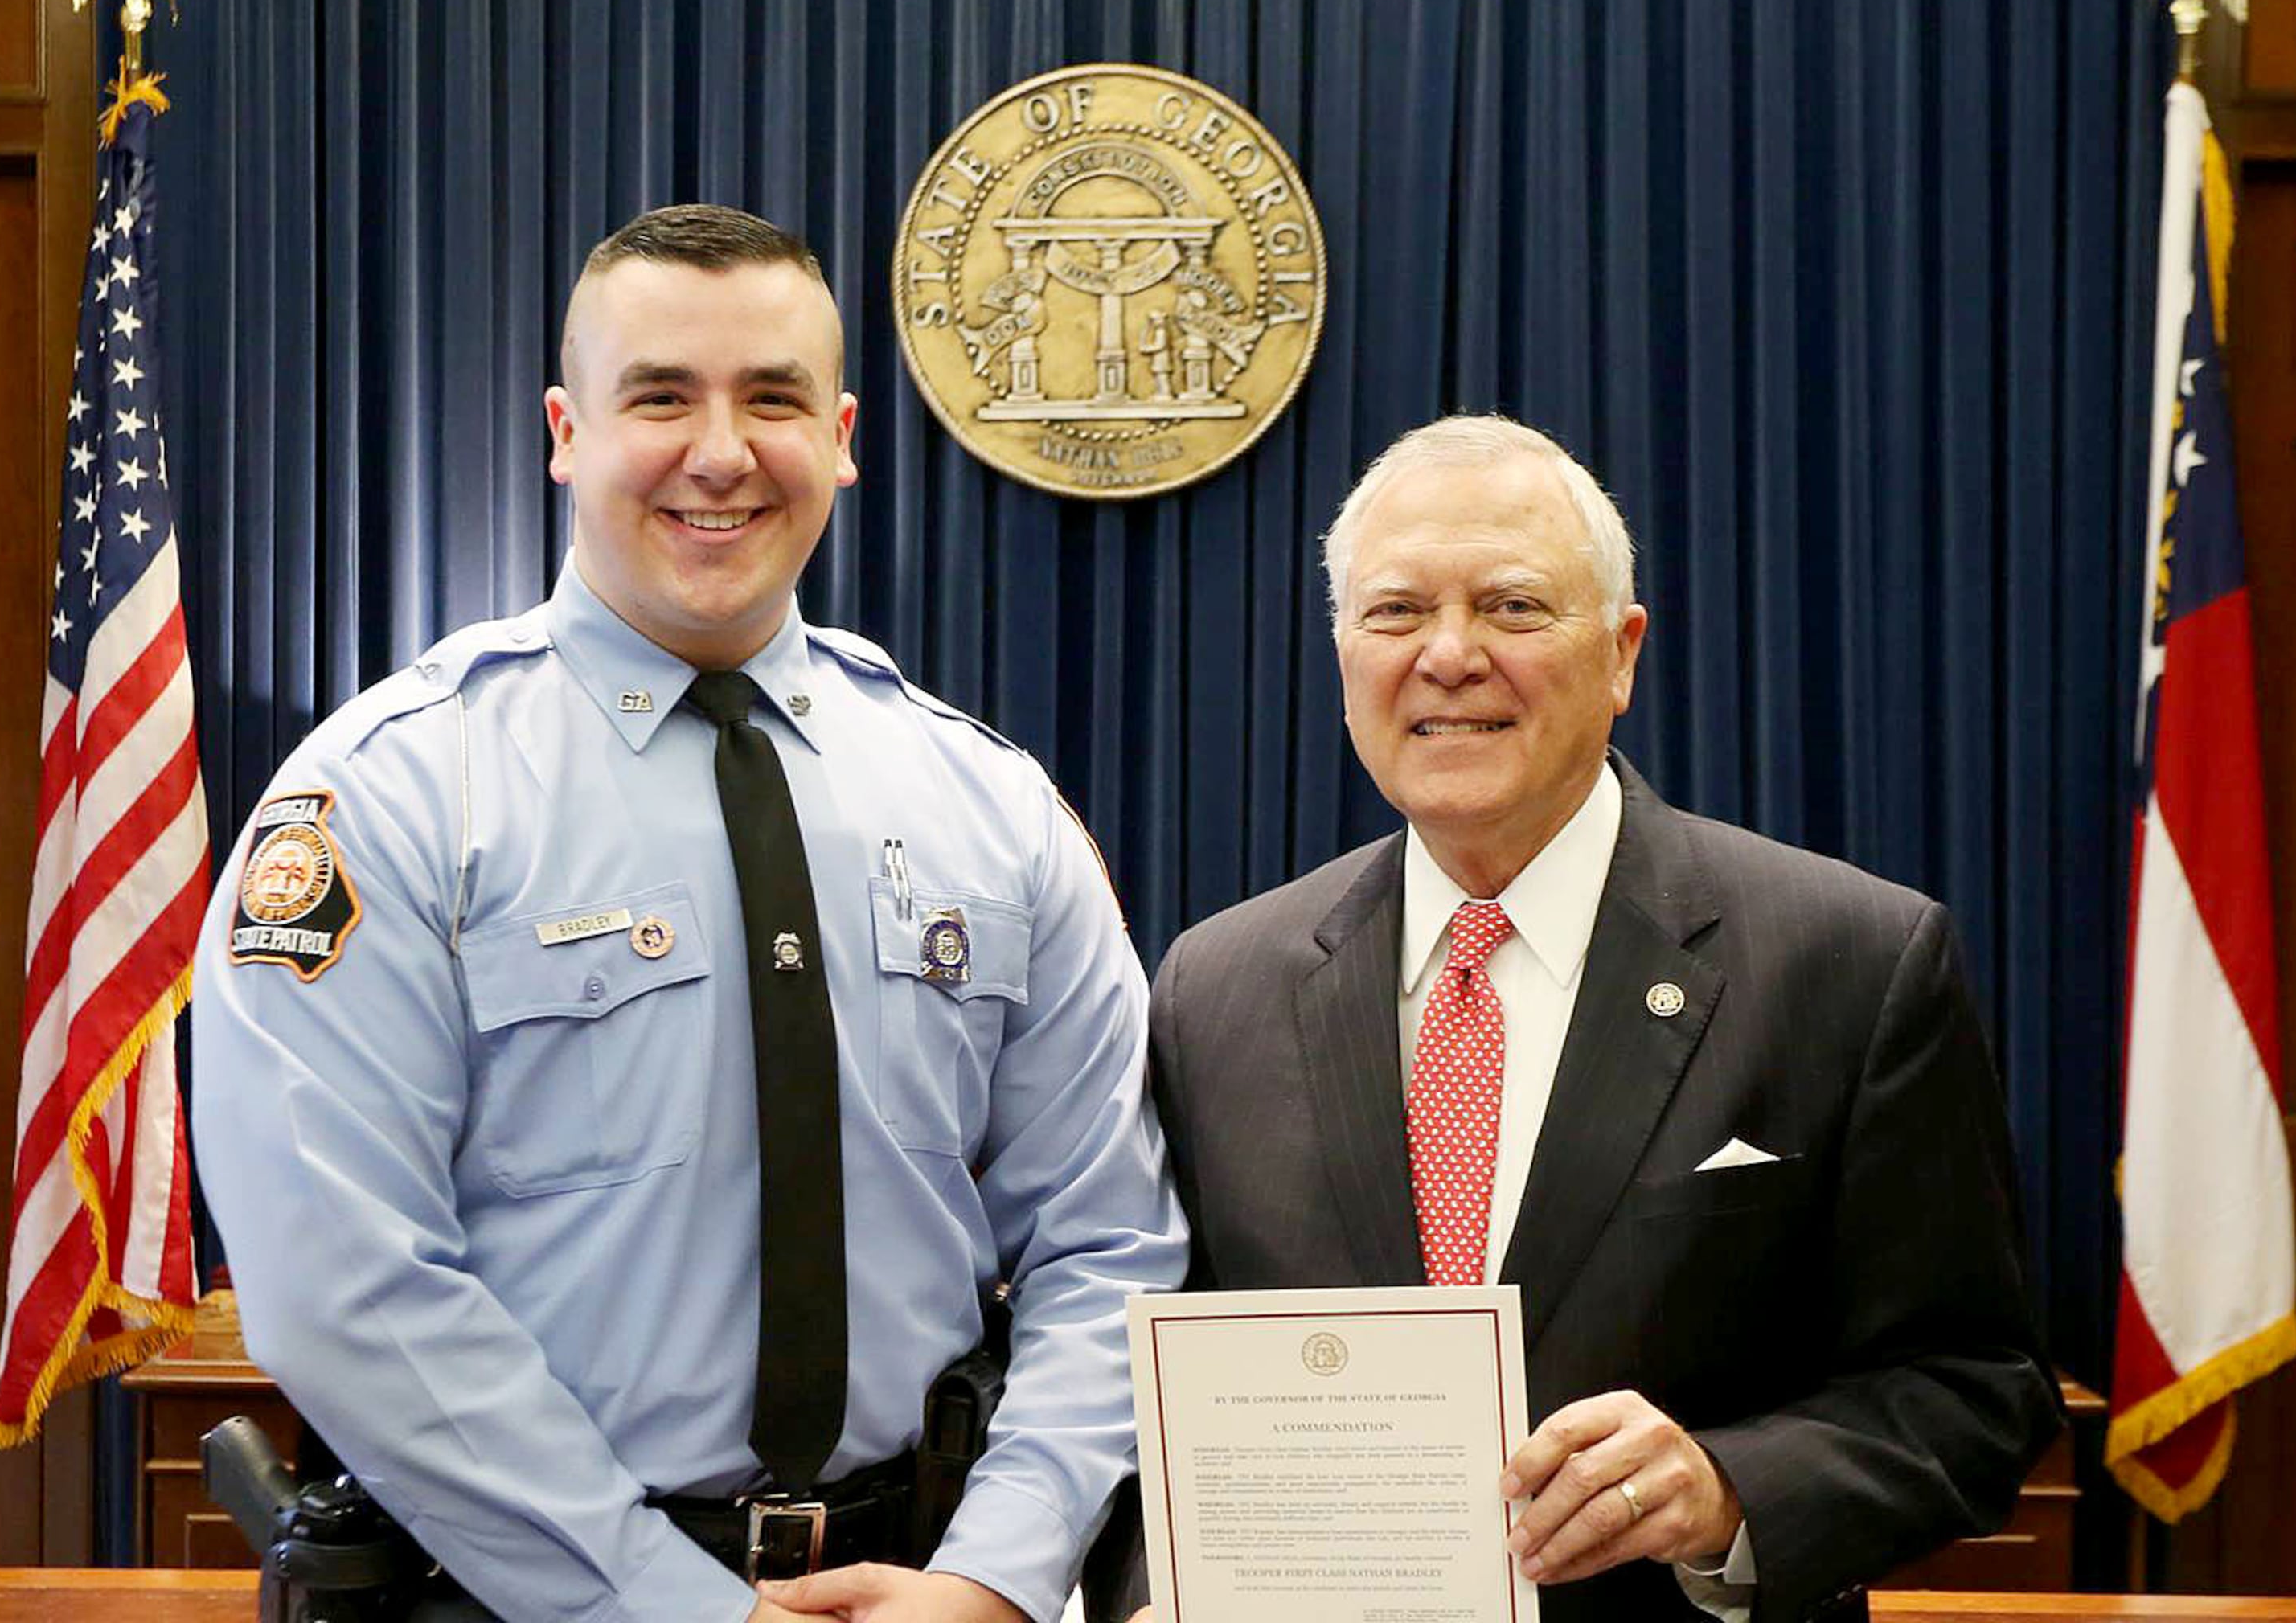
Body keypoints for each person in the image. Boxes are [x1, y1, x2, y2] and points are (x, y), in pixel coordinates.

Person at [191, 204, 1186, 1623]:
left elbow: (1110, 1244)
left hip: (922, 1591)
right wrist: (668, 1604)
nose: (721, 453)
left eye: (772, 399)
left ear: (841, 436)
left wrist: (999, 1574)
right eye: (660, 397)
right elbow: (345, 1285)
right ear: (566, 431)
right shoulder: (395, 797)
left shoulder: (993, 804)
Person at [1140, 415, 2062, 1622]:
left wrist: (1730, 1490)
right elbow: (1140, 1391)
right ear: (1343, 655)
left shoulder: (1851, 960)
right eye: (1396, 612)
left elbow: (1975, 1389)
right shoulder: (1218, 986)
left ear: (1622, 654)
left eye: (1515, 608)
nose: (1450, 655)